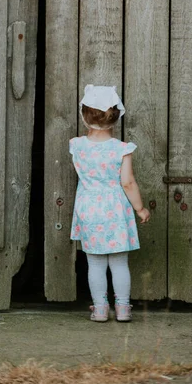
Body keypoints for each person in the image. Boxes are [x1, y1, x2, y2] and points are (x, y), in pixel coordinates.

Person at [70, 84, 150, 323]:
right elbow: (127, 183)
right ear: (115, 118)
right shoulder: (121, 149)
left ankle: (101, 309)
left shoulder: (77, 146)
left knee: (94, 263)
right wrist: (140, 208)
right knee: (118, 262)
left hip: (89, 209)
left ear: (84, 116)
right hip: (115, 210)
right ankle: (123, 309)